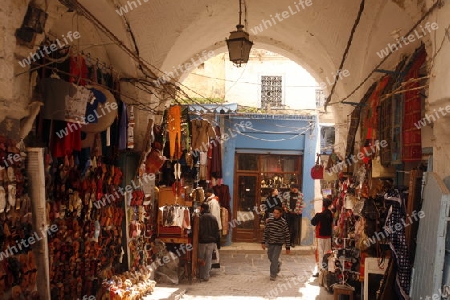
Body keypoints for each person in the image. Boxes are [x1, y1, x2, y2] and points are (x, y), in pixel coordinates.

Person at [261, 206, 291, 281]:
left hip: (278, 243)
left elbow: (287, 235)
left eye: (277, 213)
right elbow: (266, 232)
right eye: (274, 213)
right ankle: (278, 264)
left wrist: (288, 247)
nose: (275, 214)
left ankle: (273, 274)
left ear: (280, 214)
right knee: (270, 256)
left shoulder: (283, 222)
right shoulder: (270, 221)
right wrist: (263, 242)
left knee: (274, 258)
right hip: (270, 242)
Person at [311, 198, 333, 276]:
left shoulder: (319, 215)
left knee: (320, 254)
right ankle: (326, 271)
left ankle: (321, 272)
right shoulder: (330, 214)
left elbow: (313, 222)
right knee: (327, 254)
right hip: (328, 236)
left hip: (320, 236)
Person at [198, 202, 219, 281]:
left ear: (202, 208)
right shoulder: (213, 218)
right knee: (208, 258)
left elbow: (199, 230)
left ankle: (201, 275)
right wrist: (216, 241)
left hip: (202, 241)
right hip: (211, 241)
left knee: (201, 258)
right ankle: (206, 276)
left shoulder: (200, 218)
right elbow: (216, 231)